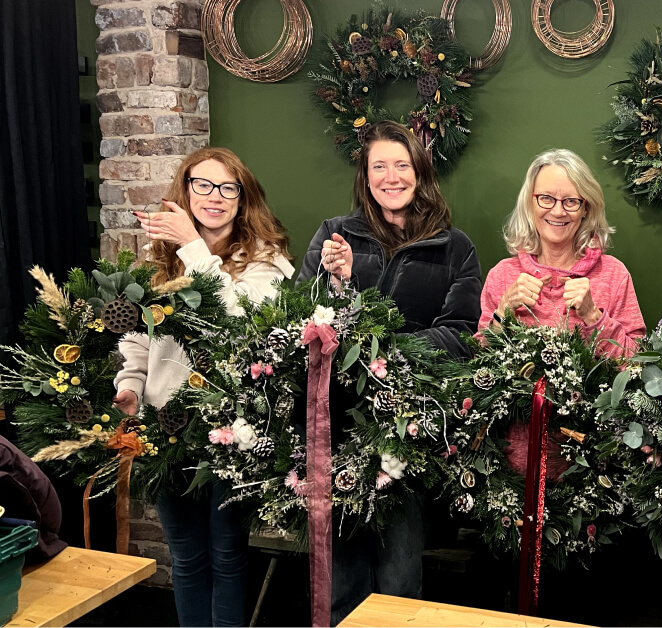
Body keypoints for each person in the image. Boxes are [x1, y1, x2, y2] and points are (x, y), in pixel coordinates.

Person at [297, 120, 482, 624]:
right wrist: (334, 282)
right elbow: (300, 319)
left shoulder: (454, 247)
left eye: (402, 164)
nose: (391, 175)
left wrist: (384, 356)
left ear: (420, 173)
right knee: (341, 579)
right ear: (366, 176)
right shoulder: (334, 236)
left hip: (410, 431)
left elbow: (462, 332)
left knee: (400, 580)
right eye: (380, 165)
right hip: (338, 427)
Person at [113, 147, 294, 627]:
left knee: (228, 556)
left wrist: (194, 246)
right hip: (166, 430)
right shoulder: (156, 262)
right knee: (187, 559)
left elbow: (241, 323)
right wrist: (130, 385)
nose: (215, 197)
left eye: (227, 187)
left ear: (243, 197)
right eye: (203, 185)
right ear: (185, 189)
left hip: (234, 433)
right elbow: (135, 338)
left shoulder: (266, 262)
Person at [478, 148, 644, 357]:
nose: (558, 211)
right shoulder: (502, 275)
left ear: (586, 208)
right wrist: (503, 312)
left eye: (571, 201)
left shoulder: (613, 275)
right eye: (546, 198)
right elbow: (481, 365)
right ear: (530, 202)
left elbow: (637, 363)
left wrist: (593, 316)